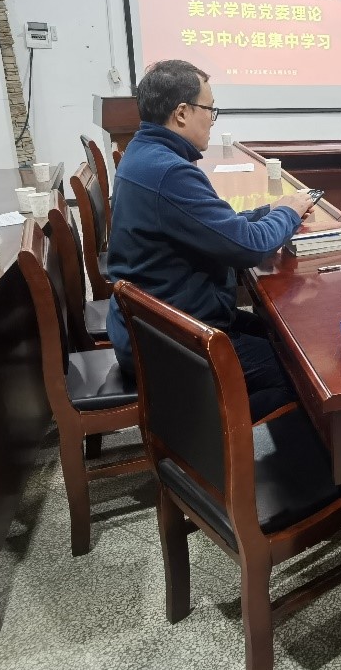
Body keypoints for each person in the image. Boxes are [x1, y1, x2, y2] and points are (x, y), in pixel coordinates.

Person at [104, 60, 316, 420]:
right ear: (181, 113)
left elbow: (214, 227)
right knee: (305, 373)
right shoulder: (169, 171)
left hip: (158, 327)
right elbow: (249, 248)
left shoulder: (146, 154)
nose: (212, 120)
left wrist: (269, 211)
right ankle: (203, 427)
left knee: (287, 337)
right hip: (175, 345)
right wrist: (290, 213)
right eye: (209, 110)